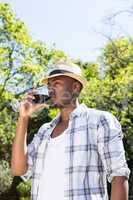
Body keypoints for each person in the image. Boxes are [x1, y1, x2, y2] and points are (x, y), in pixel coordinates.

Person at [11, 62, 130, 200]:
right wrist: (24, 118)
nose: (50, 89)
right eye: (49, 85)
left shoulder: (99, 121)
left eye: (56, 83)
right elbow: (19, 169)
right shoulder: (44, 131)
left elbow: (119, 175)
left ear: (75, 87)